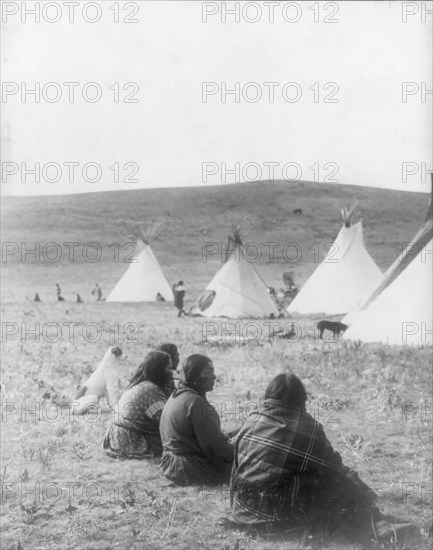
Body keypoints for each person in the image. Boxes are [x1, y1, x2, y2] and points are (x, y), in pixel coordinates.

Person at [228, 373, 426, 545]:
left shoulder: (251, 420)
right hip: (279, 519)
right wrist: (363, 494)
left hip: (242, 512)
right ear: (300, 399)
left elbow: (235, 473)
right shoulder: (308, 427)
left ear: (269, 394)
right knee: (341, 484)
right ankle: (375, 521)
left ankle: (374, 516)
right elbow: (334, 472)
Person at [159, 354, 233, 485]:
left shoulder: (178, 395)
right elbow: (217, 451)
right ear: (194, 376)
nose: (214, 376)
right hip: (192, 469)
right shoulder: (196, 404)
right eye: (209, 371)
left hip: (171, 465)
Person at [103, 351, 173, 459]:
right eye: (168, 369)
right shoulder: (150, 390)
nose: (172, 373)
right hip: (131, 441)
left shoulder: (142, 385)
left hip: (116, 438)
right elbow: (165, 422)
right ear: (159, 370)